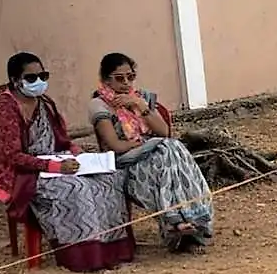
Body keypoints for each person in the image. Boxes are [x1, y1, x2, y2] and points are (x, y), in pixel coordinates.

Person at [0, 53, 135, 271]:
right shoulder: (4, 107)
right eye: (31, 78)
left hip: (58, 163)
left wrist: (76, 152)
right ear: (15, 80)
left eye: (43, 75)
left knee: (108, 180)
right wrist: (55, 167)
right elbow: (12, 156)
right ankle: (85, 257)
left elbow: (61, 139)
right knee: (76, 188)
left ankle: (113, 252)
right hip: (24, 173)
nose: (38, 81)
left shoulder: (45, 103)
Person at [89, 53, 213, 254]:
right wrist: (143, 144)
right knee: (170, 150)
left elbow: (163, 132)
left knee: (170, 150)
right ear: (105, 79)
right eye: (119, 78)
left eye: (130, 76)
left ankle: (182, 223)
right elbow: (115, 146)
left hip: (157, 157)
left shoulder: (141, 98)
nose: (126, 82)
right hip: (129, 164)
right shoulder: (100, 105)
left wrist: (140, 106)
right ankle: (184, 219)